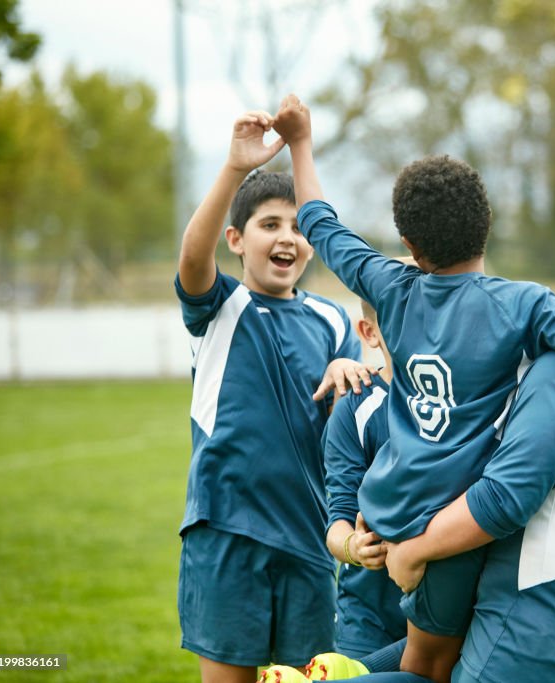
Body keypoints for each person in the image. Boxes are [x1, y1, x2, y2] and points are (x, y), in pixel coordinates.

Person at [272, 94, 555, 683]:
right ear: (486, 225)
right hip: (450, 528)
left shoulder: (390, 285)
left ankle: (331, 674)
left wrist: (301, 141)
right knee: (430, 668)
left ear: (411, 245)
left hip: (387, 509)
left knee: (420, 661)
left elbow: (321, 225)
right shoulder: (522, 303)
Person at [175, 111, 365, 683]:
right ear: (236, 239)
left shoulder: (333, 319)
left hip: (309, 536)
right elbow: (191, 258)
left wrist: (349, 365)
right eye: (269, 225)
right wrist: (235, 168)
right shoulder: (220, 308)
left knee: (306, 676)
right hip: (228, 532)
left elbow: (354, 411)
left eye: (299, 227)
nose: (288, 238)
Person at [322, 297, 407, 661]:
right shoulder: (359, 404)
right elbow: (338, 518)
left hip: (454, 617)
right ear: (370, 333)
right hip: (370, 619)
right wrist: (355, 547)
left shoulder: (476, 396)